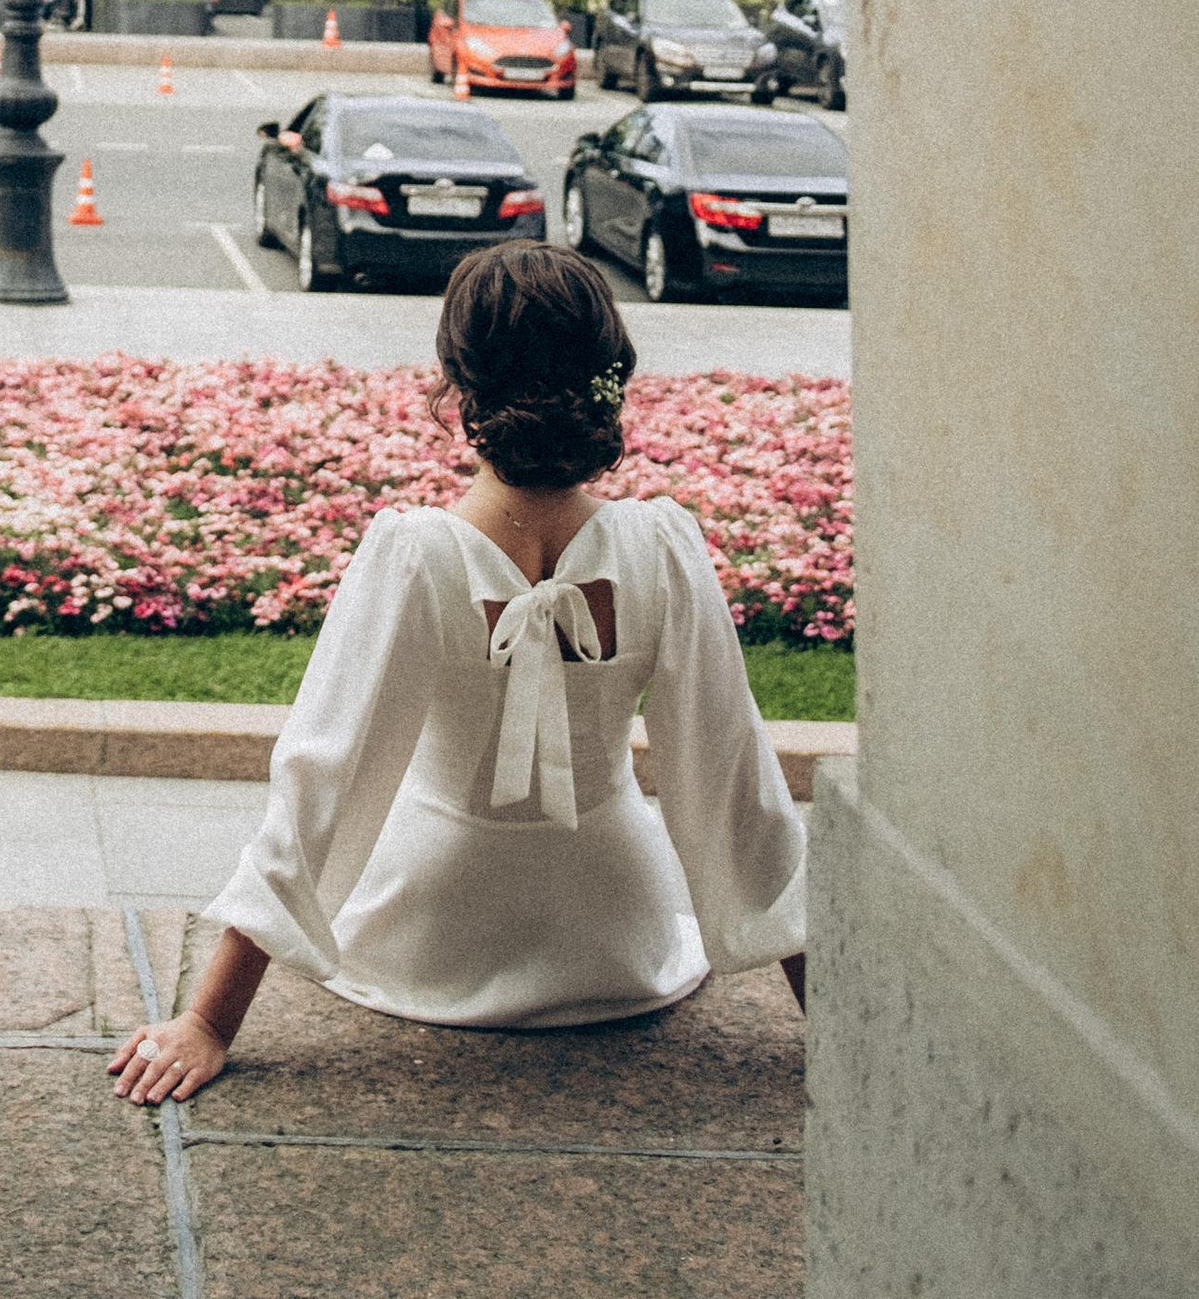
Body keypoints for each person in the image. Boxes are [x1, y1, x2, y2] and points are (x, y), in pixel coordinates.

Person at [107, 242, 807, 1102]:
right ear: (606, 374)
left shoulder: (417, 555)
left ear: (457, 387)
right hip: (615, 935)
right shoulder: (662, 548)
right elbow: (734, 774)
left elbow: (326, 776)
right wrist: (838, 1024)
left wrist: (209, 1021)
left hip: (431, 935)